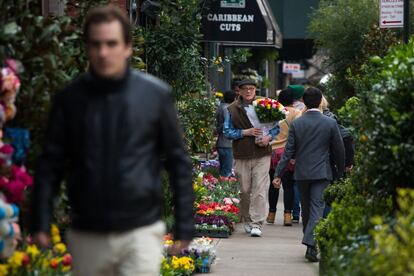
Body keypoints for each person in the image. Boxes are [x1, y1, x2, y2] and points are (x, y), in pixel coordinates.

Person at [31, 5, 194, 276]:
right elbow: (50, 164)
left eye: (111, 43)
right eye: (96, 44)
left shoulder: (155, 96)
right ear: (87, 47)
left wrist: (185, 225)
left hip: (141, 230)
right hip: (88, 232)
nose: (103, 52)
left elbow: (178, 161)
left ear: (128, 47)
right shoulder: (69, 100)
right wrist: (40, 223)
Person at [273, 87, 345, 262]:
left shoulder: (297, 123)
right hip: (322, 172)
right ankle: (311, 243)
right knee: (316, 208)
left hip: (302, 172)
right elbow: (339, 150)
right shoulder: (330, 123)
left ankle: (310, 243)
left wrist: (278, 173)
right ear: (321, 101)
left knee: (307, 210)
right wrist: (341, 172)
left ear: (304, 102)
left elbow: (289, 151)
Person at [224, 79, 280, 237]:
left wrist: (268, 137)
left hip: (262, 154)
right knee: (244, 190)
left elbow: (276, 127)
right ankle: (247, 219)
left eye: (252, 88)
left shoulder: (265, 105)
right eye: (245, 89)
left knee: (259, 189)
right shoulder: (232, 109)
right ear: (239, 91)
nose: (249, 91)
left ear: (255, 90)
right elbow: (227, 132)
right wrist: (244, 132)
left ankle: (257, 223)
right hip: (241, 155)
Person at [267, 89, 302, 226]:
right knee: (288, 186)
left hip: (272, 152)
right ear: (293, 100)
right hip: (287, 153)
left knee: (273, 184)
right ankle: (287, 216)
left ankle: (271, 215)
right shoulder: (296, 113)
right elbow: (298, 133)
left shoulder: (273, 110)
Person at [288, 84, 306, 222]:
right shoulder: (299, 110)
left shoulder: (281, 108)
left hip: (283, 150)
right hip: (299, 150)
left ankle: (294, 214)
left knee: (292, 184)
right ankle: (302, 213)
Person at [215, 90, 236, 177]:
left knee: (223, 169)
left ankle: (221, 188)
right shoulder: (228, 109)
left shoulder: (220, 107)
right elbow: (226, 125)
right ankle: (224, 189)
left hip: (221, 142)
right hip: (227, 143)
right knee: (226, 171)